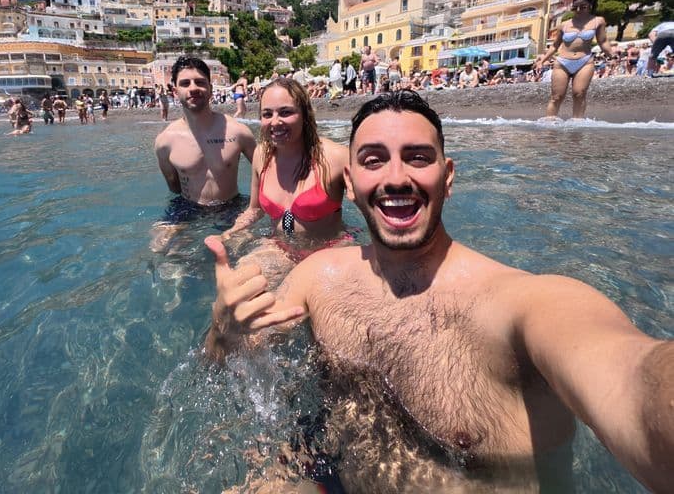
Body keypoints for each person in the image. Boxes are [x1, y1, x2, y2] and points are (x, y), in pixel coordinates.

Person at [205, 91, 673, 493]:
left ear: (448, 177)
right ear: (351, 182)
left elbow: (634, 383)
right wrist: (224, 328)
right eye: (373, 160)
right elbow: (231, 359)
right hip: (333, 467)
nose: (395, 178)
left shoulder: (526, 305)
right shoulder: (313, 266)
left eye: (418, 157)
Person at [222, 79, 348, 258]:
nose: (275, 122)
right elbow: (255, 210)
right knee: (240, 280)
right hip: (279, 248)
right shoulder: (261, 155)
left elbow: (373, 206)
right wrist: (232, 232)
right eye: (267, 114)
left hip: (329, 252)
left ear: (305, 115)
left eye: (285, 112)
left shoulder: (335, 157)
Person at [155, 56, 256, 206]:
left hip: (230, 207)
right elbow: (174, 188)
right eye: (185, 83)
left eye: (200, 82)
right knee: (160, 230)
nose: (193, 88)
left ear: (210, 89)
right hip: (188, 209)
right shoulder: (165, 141)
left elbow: (265, 173)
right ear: (175, 92)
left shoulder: (238, 132)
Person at [534, 0, 614, 118]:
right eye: (575, 6)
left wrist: (612, 56)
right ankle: (549, 124)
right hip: (563, 62)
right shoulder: (564, 25)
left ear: (591, 5)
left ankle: (577, 123)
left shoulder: (598, 21)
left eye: (583, 6)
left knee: (579, 93)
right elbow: (555, 46)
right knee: (556, 96)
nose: (578, 9)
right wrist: (542, 60)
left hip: (584, 61)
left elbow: (603, 41)